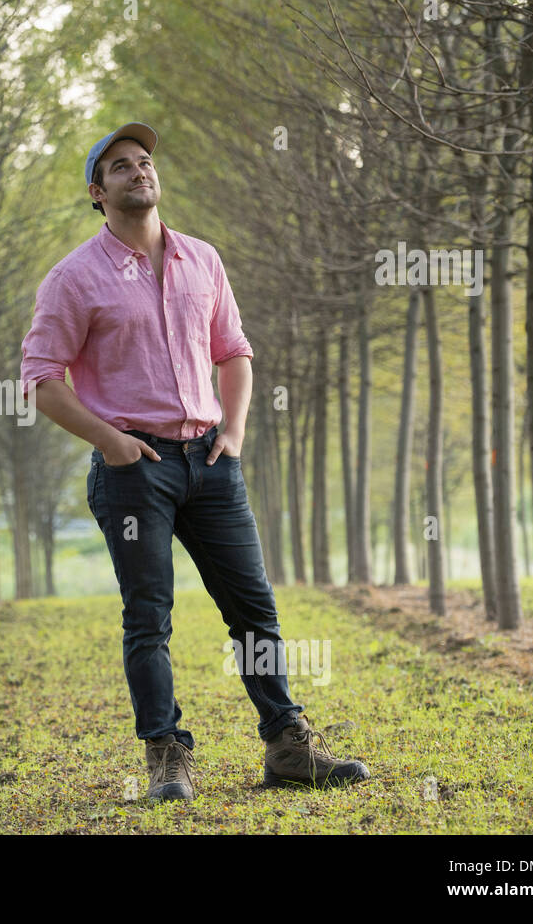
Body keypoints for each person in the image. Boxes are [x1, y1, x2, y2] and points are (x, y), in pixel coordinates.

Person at [19, 122, 370, 802]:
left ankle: (288, 746)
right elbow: (41, 378)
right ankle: (166, 756)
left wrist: (232, 433)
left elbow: (233, 351)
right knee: (149, 615)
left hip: (211, 461)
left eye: (145, 161)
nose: (138, 171)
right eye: (120, 166)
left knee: (254, 608)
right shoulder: (73, 278)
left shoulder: (203, 260)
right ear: (99, 192)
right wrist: (112, 442)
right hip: (133, 469)